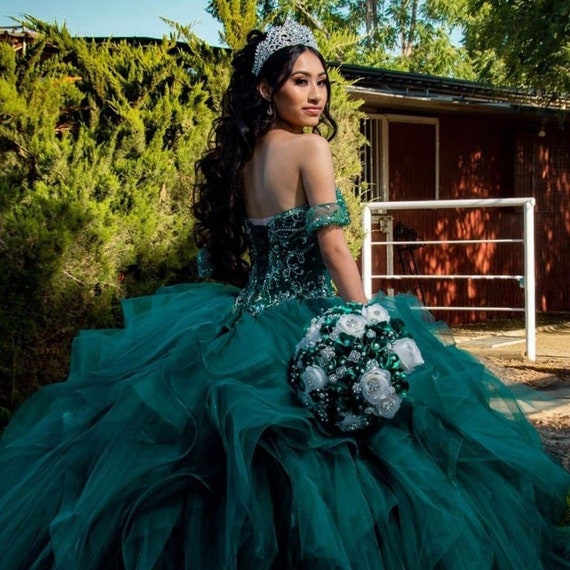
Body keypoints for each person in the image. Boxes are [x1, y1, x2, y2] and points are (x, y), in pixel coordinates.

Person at [0, 17, 568, 570]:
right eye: (301, 80)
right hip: (305, 318)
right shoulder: (310, 149)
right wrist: (368, 323)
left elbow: (226, 251)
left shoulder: (243, 157)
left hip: (243, 321)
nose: (317, 94)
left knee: (242, 477)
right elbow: (334, 249)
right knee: (345, 466)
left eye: (321, 81)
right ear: (267, 87)